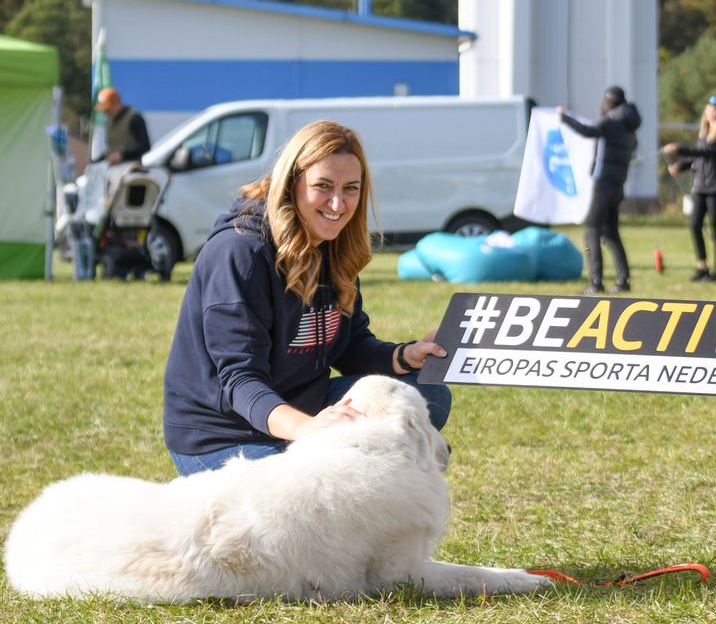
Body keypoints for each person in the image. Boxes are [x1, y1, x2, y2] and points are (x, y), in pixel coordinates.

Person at [162, 120, 452, 476]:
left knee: (428, 394)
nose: (337, 203)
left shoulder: (333, 246)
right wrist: (306, 429)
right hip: (224, 433)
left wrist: (404, 356)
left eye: (351, 189)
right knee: (309, 495)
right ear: (292, 184)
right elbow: (240, 381)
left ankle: (361, 462)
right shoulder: (241, 252)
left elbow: (349, 347)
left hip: (305, 408)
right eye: (323, 186)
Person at [556, 86, 642, 295]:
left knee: (591, 231)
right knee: (610, 234)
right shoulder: (629, 124)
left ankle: (595, 281)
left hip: (604, 183)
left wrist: (563, 117)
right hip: (618, 184)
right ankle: (623, 280)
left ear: (608, 102)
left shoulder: (611, 120)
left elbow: (588, 131)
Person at [664, 95, 716, 283]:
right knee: (694, 225)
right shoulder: (705, 132)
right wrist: (681, 165)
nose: (711, 112)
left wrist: (679, 148)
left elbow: (707, 152)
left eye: (715, 110)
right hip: (700, 186)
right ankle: (702, 267)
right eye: (709, 109)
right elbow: (698, 157)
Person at [95, 87, 150, 165]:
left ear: (116, 102)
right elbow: (111, 150)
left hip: (130, 168)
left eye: (108, 109)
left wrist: (122, 156)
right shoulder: (109, 122)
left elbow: (145, 146)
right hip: (112, 168)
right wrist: (93, 162)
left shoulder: (134, 118)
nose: (106, 112)